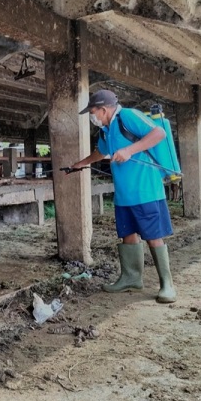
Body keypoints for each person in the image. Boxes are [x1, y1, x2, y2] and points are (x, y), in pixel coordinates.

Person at [68, 90, 177, 303]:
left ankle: (167, 284)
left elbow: (158, 134)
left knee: (153, 236)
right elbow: (101, 152)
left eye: (93, 112)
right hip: (124, 194)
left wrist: (129, 150)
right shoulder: (105, 131)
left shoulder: (127, 116)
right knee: (127, 234)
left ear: (104, 109)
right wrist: (80, 164)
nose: (92, 117)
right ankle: (131, 278)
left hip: (146, 190)